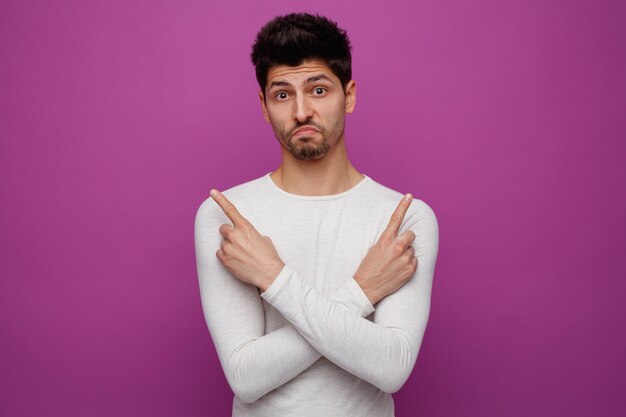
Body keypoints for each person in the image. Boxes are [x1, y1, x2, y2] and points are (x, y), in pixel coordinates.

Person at [194, 12, 439, 417]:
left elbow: (391, 368)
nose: (302, 111)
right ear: (264, 105)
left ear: (350, 94)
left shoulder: (405, 218)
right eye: (283, 94)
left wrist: (273, 278)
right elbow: (246, 376)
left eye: (319, 90)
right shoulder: (228, 217)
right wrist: (362, 291)